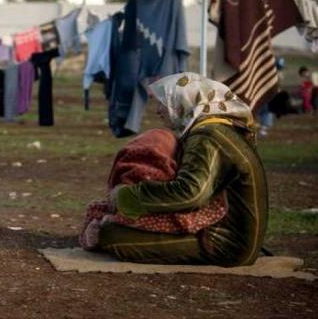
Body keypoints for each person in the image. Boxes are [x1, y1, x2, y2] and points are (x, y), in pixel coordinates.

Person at [95, 72, 268, 267]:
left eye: (164, 103)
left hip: (226, 245)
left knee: (110, 234)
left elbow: (191, 194)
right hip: (232, 237)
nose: (158, 111)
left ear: (183, 103)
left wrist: (128, 196)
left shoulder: (207, 137)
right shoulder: (220, 129)